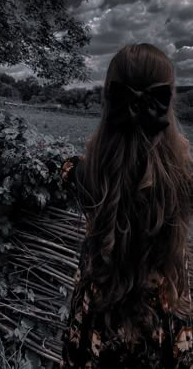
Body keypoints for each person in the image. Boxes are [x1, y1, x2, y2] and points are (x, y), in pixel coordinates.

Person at [59, 43, 193, 368]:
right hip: (165, 314)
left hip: (97, 317)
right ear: (167, 102)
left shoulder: (88, 173)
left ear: (109, 101)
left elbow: (65, 169)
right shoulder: (185, 176)